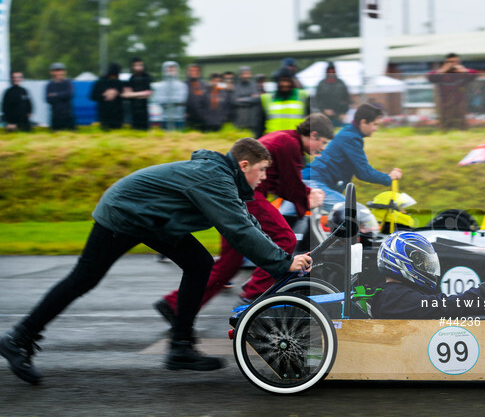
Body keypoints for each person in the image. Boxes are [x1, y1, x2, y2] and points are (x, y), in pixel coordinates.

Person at [0, 138, 314, 385]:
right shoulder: (214, 178)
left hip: (154, 219)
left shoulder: (226, 180)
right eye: (261, 170)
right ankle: (18, 338)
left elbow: (246, 222)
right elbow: (239, 231)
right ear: (244, 165)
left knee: (199, 264)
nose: (264, 178)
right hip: (124, 213)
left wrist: (282, 259)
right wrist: (283, 263)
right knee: (84, 278)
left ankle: (180, 348)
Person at [156, 115, 334, 315]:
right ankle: (255, 295)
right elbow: (290, 184)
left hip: (236, 193)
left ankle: (176, 305)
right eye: (324, 142)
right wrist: (308, 196)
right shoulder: (290, 144)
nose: (323, 148)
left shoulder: (285, 138)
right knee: (285, 238)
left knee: (228, 264)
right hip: (248, 195)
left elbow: (279, 182)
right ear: (314, 135)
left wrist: (304, 194)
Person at [371, 232, 485, 319]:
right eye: (424, 263)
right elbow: (443, 306)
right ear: (402, 261)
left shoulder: (396, 294)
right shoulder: (392, 297)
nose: (427, 267)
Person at [306, 103, 402, 212]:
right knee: (356, 214)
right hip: (315, 183)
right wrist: (389, 178)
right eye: (374, 124)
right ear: (363, 122)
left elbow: (361, 173)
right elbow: (365, 172)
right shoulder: (350, 138)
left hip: (313, 181)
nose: (376, 128)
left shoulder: (350, 134)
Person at [428, 53, 478, 130]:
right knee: (446, 120)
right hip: (444, 102)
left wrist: (463, 70)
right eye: (450, 62)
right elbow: (430, 77)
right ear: (446, 62)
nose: (453, 64)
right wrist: (442, 70)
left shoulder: (462, 72)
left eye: (455, 62)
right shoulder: (441, 73)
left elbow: (475, 74)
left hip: (460, 101)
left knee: (460, 120)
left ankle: (461, 132)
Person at [256, 69, 309, 136]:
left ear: (292, 82)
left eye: (287, 81)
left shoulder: (303, 96)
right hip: (273, 140)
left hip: (296, 140)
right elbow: (260, 124)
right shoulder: (266, 99)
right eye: (282, 81)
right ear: (277, 82)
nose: (285, 84)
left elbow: (310, 121)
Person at [153, 61, 188, 130]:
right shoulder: (160, 85)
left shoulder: (182, 85)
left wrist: (168, 101)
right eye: (169, 68)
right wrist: (174, 102)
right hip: (165, 118)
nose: (171, 70)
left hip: (179, 119)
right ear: (164, 70)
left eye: (173, 68)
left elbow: (182, 99)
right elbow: (159, 100)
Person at [313, 62, 351, 128]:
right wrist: (324, 110)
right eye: (329, 71)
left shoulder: (341, 84)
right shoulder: (321, 84)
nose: (331, 73)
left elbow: (346, 99)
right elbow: (317, 101)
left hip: (339, 116)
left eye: (333, 71)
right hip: (325, 116)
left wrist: (343, 112)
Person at [90, 63, 125, 130]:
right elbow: (93, 96)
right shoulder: (100, 82)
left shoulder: (119, 82)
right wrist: (104, 95)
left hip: (117, 115)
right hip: (104, 114)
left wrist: (116, 93)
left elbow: (123, 95)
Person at [123, 57, 153, 130]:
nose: (138, 67)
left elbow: (148, 94)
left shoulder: (147, 77)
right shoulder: (131, 78)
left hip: (144, 111)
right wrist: (142, 93)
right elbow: (126, 95)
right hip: (133, 111)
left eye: (140, 65)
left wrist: (133, 94)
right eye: (136, 65)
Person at [45, 62, 75, 131]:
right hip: (55, 116)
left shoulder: (68, 83)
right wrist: (62, 95)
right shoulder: (50, 85)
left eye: (60, 70)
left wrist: (55, 95)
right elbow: (48, 99)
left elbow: (69, 94)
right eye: (56, 71)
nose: (59, 73)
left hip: (67, 115)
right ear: (51, 72)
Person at [233, 66, 261, 132]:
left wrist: (241, 99)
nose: (246, 76)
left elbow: (257, 99)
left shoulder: (255, 85)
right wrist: (250, 98)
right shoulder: (236, 86)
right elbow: (234, 101)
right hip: (240, 120)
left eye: (248, 73)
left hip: (253, 119)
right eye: (244, 74)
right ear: (240, 75)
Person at [185, 63, 208, 131]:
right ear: (187, 72)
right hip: (188, 116)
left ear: (199, 73)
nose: (193, 72)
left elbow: (218, 86)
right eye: (191, 70)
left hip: (203, 116)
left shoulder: (205, 85)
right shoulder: (183, 85)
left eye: (196, 70)